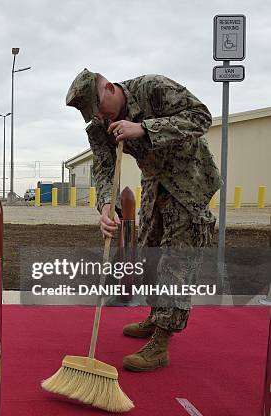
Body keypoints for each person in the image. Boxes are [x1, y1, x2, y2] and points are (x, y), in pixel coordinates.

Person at [65, 69, 221, 372]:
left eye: (99, 109)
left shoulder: (153, 88)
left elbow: (202, 117)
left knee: (176, 259)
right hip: (154, 183)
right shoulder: (99, 125)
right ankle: (155, 315)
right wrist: (105, 207)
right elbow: (103, 167)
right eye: (92, 115)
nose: (99, 117)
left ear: (109, 88)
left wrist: (143, 128)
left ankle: (162, 341)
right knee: (149, 253)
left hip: (190, 179)